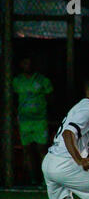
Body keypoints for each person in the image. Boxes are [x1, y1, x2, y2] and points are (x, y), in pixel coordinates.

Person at [13, 54, 53, 185]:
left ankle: (45, 179)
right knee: (27, 150)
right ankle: (32, 180)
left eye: (29, 63)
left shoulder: (42, 80)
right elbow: (13, 99)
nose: (27, 65)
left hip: (40, 120)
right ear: (21, 65)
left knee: (42, 149)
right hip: (24, 121)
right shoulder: (17, 81)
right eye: (24, 63)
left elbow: (50, 97)